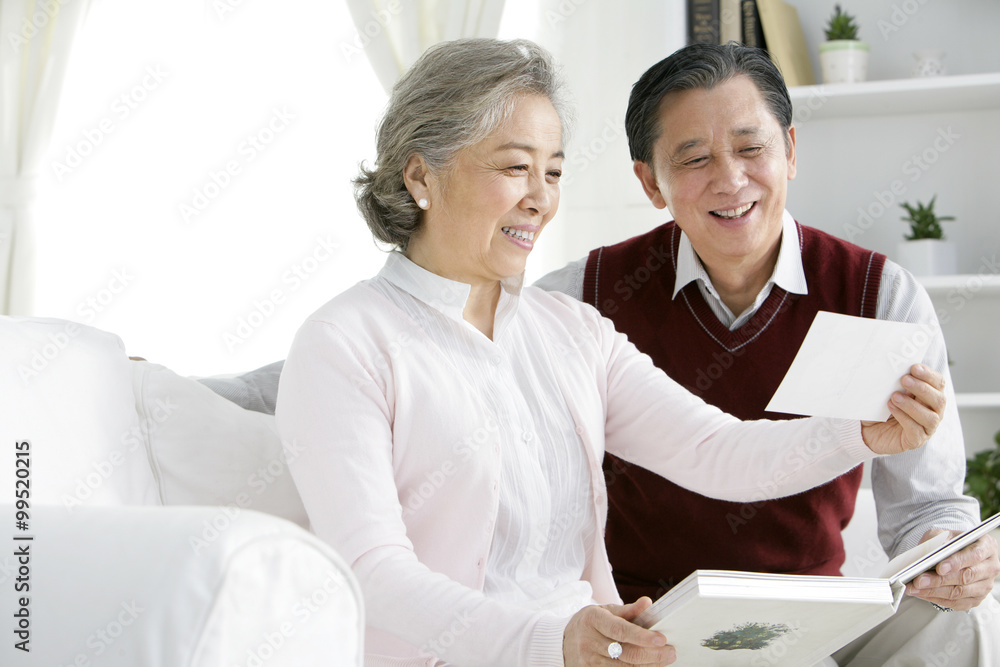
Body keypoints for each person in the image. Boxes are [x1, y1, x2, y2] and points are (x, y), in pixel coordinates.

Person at [273, 39, 947, 666]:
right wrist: (551, 638)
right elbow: (370, 569)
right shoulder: (345, 341)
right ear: (422, 175)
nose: (540, 199)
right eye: (515, 167)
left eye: (554, 171)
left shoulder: (570, 329)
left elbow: (719, 452)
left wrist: (854, 432)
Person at [535, 42, 1000, 666]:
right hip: (650, 623)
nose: (731, 180)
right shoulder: (580, 300)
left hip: (816, 620)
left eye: (752, 148)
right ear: (651, 182)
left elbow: (926, 506)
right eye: (694, 158)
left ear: (790, 151)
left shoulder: (876, 295)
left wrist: (950, 555)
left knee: (962, 621)